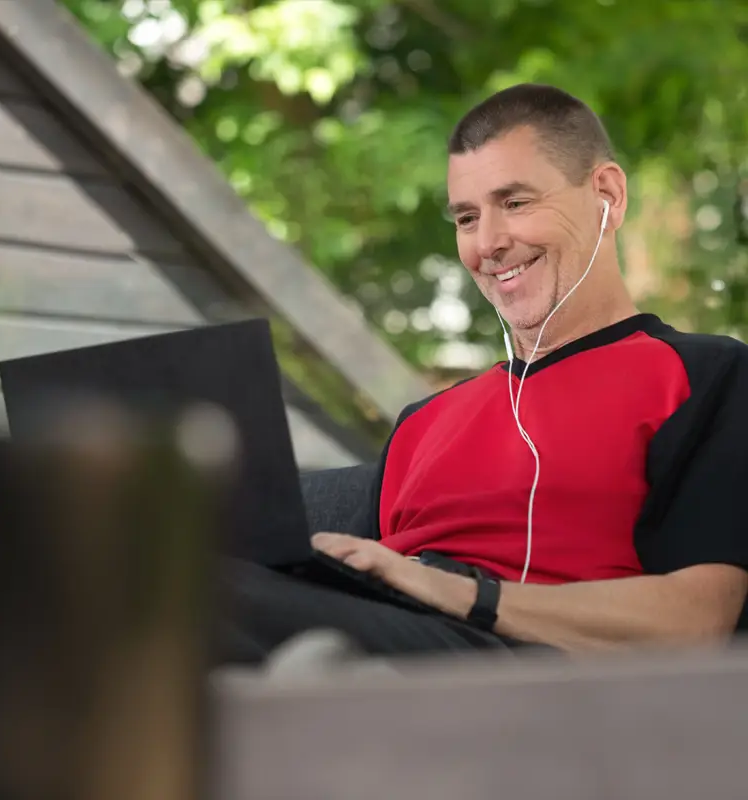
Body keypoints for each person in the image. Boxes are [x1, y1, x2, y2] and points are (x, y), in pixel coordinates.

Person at [223, 83, 748, 664]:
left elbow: (698, 618)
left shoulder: (708, 375)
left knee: (191, 599)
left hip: (521, 667)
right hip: (364, 633)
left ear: (607, 194)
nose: (489, 244)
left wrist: (458, 592)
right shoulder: (424, 422)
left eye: (516, 203)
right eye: (467, 217)